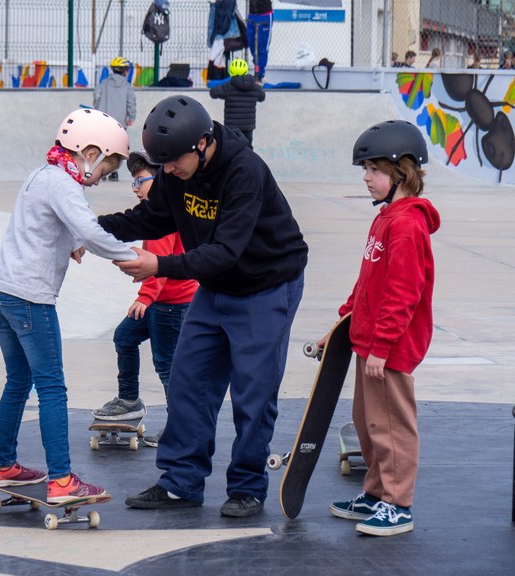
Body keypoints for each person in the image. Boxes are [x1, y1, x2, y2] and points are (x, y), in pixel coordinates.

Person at [98, 95, 308, 517]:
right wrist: (89, 230)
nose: (169, 173)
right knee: (188, 382)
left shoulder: (244, 171)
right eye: (162, 166)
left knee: (253, 392)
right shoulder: (175, 171)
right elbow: (152, 217)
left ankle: (247, 486)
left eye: (174, 163)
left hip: (265, 285)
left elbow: (225, 251)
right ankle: (181, 481)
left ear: (202, 144)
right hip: (217, 287)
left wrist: (158, 265)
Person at [0, 108, 138, 502]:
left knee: (18, 382)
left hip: (0, 291)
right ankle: (62, 481)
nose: (105, 175)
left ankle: (2, 467)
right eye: (108, 165)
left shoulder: (42, 175)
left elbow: (42, 222)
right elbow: (87, 226)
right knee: (52, 388)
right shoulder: (65, 185)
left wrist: (71, 245)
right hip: (30, 298)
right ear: (90, 151)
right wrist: (128, 256)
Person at [326, 120, 440, 536]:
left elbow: (402, 293)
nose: (366, 178)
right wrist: (340, 324)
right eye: (365, 170)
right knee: (368, 422)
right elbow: (367, 282)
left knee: (391, 425)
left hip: (390, 347)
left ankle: (398, 504)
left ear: (401, 172)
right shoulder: (385, 219)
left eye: (373, 170)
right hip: (369, 341)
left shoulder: (407, 226)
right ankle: (375, 494)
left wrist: (383, 346)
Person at [91, 150, 198, 448]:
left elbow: (160, 262)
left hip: (171, 304)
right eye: (133, 183)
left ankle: (180, 426)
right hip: (156, 301)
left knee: (167, 365)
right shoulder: (155, 213)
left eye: (141, 181)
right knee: (124, 337)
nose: (136, 189)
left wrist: (146, 297)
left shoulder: (167, 214)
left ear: (162, 180)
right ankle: (129, 399)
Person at [93, 56, 136, 181]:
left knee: (102, 146)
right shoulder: (127, 86)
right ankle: (113, 172)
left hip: (104, 121)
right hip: (119, 124)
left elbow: (96, 96)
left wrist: (97, 109)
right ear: (124, 71)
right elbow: (131, 103)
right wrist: (131, 117)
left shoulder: (104, 83)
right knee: (116, 147)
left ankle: (101, 171)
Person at [208, 58, 265, 148]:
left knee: (232, 148)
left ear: (231, 71)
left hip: (232, 127)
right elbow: (262, 97)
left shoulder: (228, 86)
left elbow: (213, 93)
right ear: (246, 70)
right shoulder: (254, 86)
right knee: (248, 148)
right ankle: (248, 162)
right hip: (248, 126)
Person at [247, 0, 273, 81]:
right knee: (251, 44)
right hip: (252, 15)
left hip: (265, 15)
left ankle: (259, 74)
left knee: (262, 47)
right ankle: (257, 67)